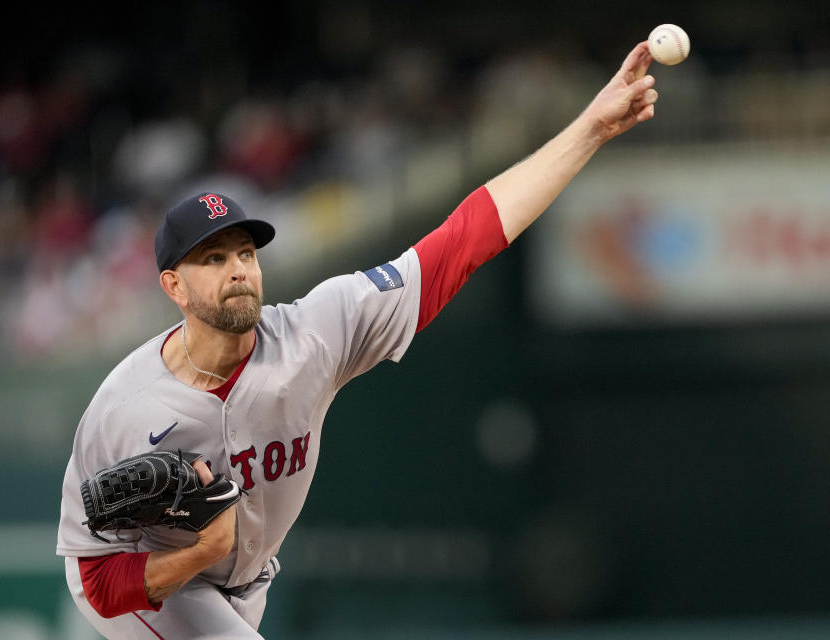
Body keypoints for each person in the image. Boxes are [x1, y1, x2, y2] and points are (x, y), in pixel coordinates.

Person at [57, 42, 658, 639]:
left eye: (245, 251)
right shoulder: (125, 408)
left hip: (246, 584)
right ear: (174, 286)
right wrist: (195, 554)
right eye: (213, 258)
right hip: (156, 587)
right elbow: (97, 585)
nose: (238, 268)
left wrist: (591, 129)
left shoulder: (315, 333)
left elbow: (466, 238)